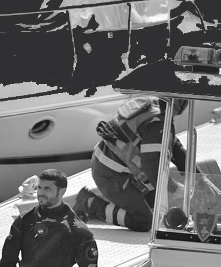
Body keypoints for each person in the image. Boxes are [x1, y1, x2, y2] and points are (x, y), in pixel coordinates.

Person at [75, 97, 187, 232]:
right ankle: (90, 203)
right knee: (145, 221)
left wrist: (203, 180)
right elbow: (151, 164)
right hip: (111, 173)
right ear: (181, 103)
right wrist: (172, 189)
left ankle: (123, 200)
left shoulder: (156, 110)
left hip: (113, 166)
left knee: (154, 202)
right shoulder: (157, 123)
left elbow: (178, 152)